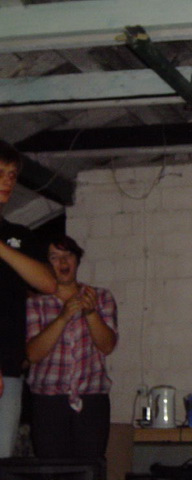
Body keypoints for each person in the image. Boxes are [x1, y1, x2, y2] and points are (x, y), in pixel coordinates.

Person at [26, 234, 118, 460]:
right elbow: (33, 354)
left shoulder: (100, 297)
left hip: (91, 398)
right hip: (48, 400)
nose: (63, 262)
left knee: (90, 469)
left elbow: (107, 346)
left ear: (77, 260)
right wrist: (63, 317)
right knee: (51, 469)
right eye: (54, 257)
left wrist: (90, 313)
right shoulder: (36, 303)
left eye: (68, 255)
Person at [0, 141, 56, 458]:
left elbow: (47, 283)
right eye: (0, 173)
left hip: (9, 369)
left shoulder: (18, 235)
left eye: (12, 174)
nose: (8, 181)